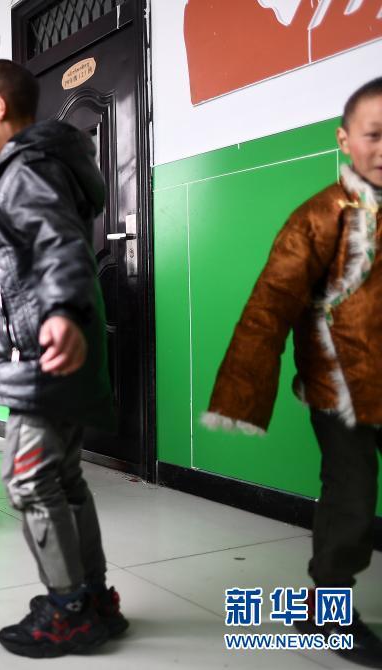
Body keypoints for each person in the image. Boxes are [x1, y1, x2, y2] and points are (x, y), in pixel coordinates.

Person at [204, 77, 382, 668]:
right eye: (374, 135)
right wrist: (241, 393)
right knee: (351, 495)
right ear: (345, 140)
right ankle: (327, 607)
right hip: (341, 386)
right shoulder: (320, 215)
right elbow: (269, 303)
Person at [0, 59, 127, 658]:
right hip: (53, 342)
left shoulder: (26, 169)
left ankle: (69, 608)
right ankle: (92, 596)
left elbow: (57, 244)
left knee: (28, 478)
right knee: (63, 476)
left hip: (44, 350)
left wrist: (59, 311)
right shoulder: (45, 164)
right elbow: (32, 254)